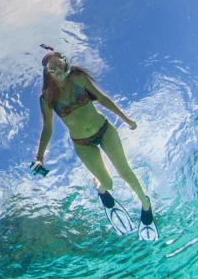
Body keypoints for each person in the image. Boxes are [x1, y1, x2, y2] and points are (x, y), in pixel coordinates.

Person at [32, 45, 157, 239]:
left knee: (124, 172)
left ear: (65, 63)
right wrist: (39, 158)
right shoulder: (46, 98)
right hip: (82, 144)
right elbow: (47, 128)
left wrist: (126, 119)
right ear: (47, 73)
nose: (57, 69)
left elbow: (102, 99)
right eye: (52, 67)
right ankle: (101, 189)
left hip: (105, 131)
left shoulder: (78, 78)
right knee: (107, 183)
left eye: (59, 63)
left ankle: (146, 205)